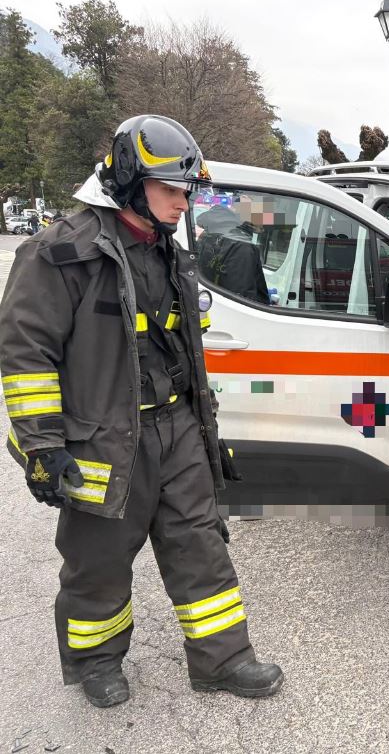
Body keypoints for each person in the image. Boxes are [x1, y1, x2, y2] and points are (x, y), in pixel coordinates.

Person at [0, 115, 283, 708]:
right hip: (101, 438)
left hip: (175, 427)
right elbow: (26, 356)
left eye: (188, 191)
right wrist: (43, 447)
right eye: (171, 189)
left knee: (200, 547)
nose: (184, 202)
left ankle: (224, 661)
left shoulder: (166, 251)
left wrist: (206, 435)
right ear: (131, 182)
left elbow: (184, 350)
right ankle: (96, 664)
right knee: (97, 561)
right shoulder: (60, 253)